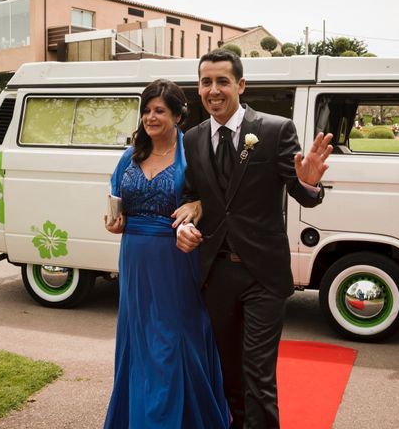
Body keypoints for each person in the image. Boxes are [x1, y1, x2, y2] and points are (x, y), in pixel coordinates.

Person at [176, 49, 333, 428]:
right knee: (229, 374)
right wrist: (184, 224)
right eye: (206, 82)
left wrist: (309, 182)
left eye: (222, 81)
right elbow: (191, 195)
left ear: (241, 85)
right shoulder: (193, 138)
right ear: (199, 88)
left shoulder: (275, 130)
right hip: (216, 275)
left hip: (263, 276)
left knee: (258, 376)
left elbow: (301, 192)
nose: (213, 90)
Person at [103, 79, 230, 428]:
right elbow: (115, 199)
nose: (150, 117)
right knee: (139, 339)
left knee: (172, 340)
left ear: (177, 115)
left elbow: (216, 202)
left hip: (176, 259)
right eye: (146, 110)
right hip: (134, 259)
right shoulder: (131, 155)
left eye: (159, 110)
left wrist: (199, 207)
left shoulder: (192, 154)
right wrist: (114, 222)